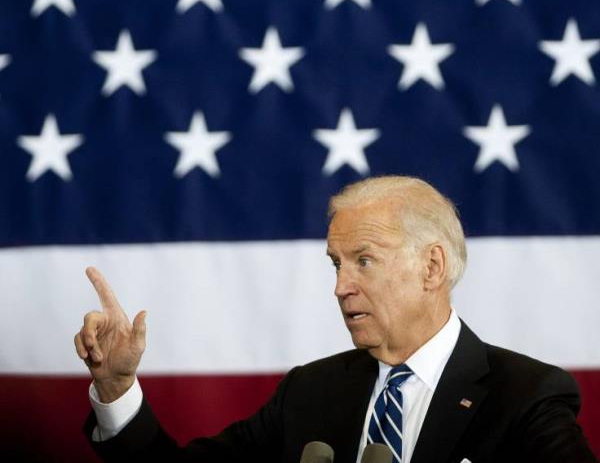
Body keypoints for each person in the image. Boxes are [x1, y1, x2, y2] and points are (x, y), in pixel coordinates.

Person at [75, 175, 597, 462]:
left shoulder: (526, 397)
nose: (341, 286)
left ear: (431, 267)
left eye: (364, 261)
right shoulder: (309, 392)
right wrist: (118, 389)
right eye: (336, 264)